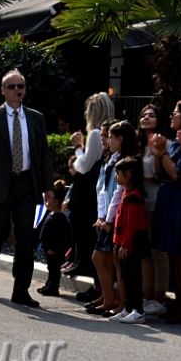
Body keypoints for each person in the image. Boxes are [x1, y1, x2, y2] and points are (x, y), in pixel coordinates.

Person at [0, 69, 54, 307]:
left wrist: (47, 186)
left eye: (21, 86)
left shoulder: (36, 118)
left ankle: (20, 290)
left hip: (27, 185)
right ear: (3, 90)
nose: (18, 90)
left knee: (26, 238)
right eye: (13, 87)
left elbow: (43, 155)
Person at [87, 121, 140, 316]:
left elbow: (118, 193)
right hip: (107, 216)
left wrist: (109, 220)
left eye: (111, 136)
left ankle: (119, 302)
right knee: (106, 259)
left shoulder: (127, 161)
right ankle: (108, 298)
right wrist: (102, 216)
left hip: (117, 217)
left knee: (110, 260)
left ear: (121, 139)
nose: (107, 140)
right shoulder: (111, 158)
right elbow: (102, 190)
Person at [65, 93, 114, 281]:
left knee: (83, 230)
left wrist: (78, 147)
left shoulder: (95, 133)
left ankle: (83, 265)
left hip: (87, 189)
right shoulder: (106, 132)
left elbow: (84, 165)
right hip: (97, 187)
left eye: (88, 110)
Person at [150, 98, 181, 323]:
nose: (172, 115)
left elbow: (178, 174)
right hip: (170, 200)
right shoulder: (175, 142)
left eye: (176, 112)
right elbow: (162, 173)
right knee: (175, 255)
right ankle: (179, 300)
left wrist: (162, 153)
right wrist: (160, 152)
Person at [105, 156, 150, 324]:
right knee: (125, 277)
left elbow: (131, 225)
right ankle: (128, 308)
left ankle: (138, 311)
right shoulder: (126, 192)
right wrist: (117, 243)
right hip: (124, 243)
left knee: (133, 278)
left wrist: (124, 245)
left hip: (132, 244)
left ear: (128, 174)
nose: (116, 177)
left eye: (118, 173)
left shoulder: (133, 196)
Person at [137, 104, 169, 316]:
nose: (146, 118)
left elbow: (164, 175)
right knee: (144, 251)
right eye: (143, 115)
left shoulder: (164, 142)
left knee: (159, 252)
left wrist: (158, 154)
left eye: (151, 115)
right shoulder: (137, 144)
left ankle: (159, 297)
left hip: (159, 202)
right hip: (139, 203)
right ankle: (146, 295)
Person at [37, 180, 73, 297]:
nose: (46, 200)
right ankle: (49, 284)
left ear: (56, 201)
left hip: (54, 249)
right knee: (51, 267)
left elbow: (60, 236)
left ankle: (53, 287)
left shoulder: (59, 217)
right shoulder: (53, 215)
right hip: (50, 248)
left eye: (49, 198)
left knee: (54, 268)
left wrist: (53, 247)